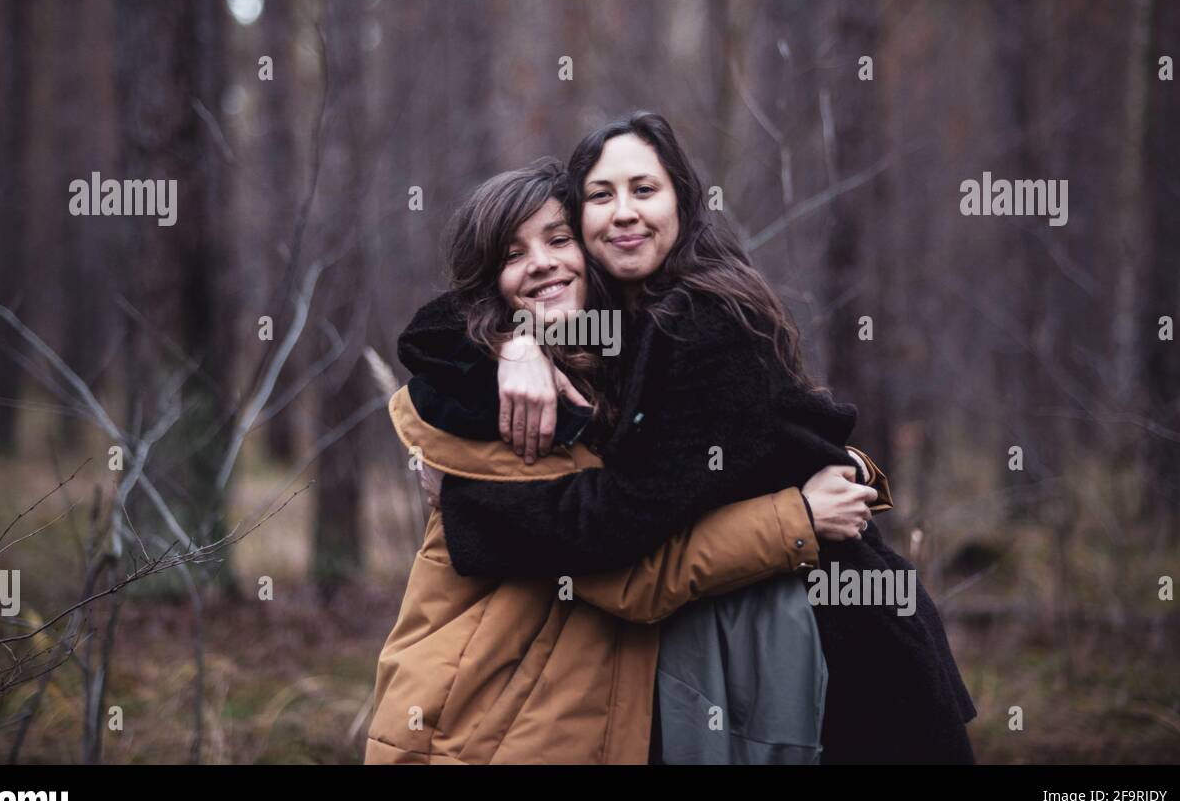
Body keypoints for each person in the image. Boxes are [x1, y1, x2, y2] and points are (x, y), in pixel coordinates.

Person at [422, 113, 977, 763]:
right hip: (755, 639)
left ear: (683, 200)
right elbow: (430, 331)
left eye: (644, 190)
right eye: (602, 196)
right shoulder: (623, 317)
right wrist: (518, 344)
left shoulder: (705, 319)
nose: (624, 213)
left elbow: (618, 523)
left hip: (842, 645)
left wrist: (462, 503)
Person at [365, 158, 867, 764]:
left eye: (557, 239)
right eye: (513, 254)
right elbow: (631, 572)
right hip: (476, 726)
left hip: (551, 716)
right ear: (489, 283)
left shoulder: (615, 371)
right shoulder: (492, 402)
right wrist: (798, 520)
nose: (543, 262)